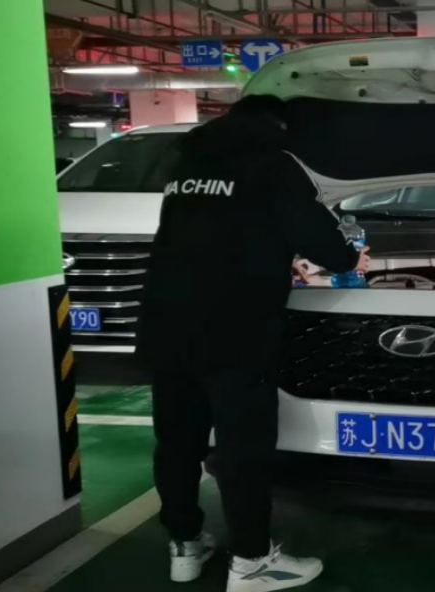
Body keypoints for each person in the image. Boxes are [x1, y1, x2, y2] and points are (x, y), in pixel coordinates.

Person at [137, 94, 370, 592]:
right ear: (280, 126)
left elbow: (213, 231)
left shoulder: (187, 162)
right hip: (234, 332)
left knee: (177, 442)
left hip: (166, 325)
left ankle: (185, 544)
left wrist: (274, 253)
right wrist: (351, 259)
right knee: (243, 449)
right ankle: (251, 560)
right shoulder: (273, 162)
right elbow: (321, 239)